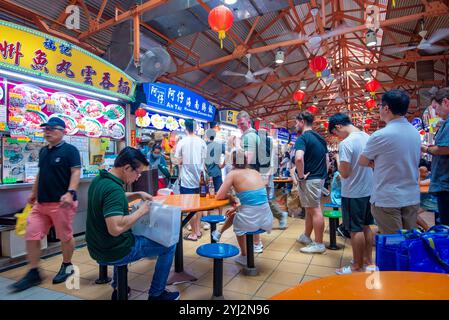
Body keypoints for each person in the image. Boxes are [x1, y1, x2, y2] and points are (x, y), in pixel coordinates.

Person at [85, 147, 179, 300]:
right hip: (113, 250)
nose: (138, 177)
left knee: (131, 233)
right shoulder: (113, 189)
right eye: (138, 173)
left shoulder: (100, 180)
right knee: (169, 246)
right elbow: (116, 228)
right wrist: (142, 211)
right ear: (127, 168)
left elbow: (117, 197)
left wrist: (137, 194)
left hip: (96, 247)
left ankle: (118, 286)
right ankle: (157, 293)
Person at [9, 118, 81, 292]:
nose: (47, 131)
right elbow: (41, 174)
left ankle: (67, 265)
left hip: (62, 203)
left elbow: (76, 171)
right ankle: (33, 271)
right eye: (45, 129)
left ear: (62, 131)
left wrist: (70, 192)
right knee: (31, 234)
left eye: (51, 129)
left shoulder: (70, 150)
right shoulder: (43, 151)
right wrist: (34, 193)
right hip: (41, 204)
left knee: (64, 236)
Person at [359, 89, 421, 234]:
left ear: (386, 108)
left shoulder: (381, 135)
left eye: (380, 106)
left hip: (388, 198)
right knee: (410, 243)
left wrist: (375, 162)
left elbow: (362, 161)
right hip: (411, 196)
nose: (379, 109)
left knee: (394, 246)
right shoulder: (415, 133)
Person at [328, 113, 375, 274]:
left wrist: (338, 160)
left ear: (338, 126)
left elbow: (345, 173)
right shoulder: (367, 137)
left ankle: (356, 266)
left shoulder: (346, 143)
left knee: (355, 230)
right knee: (367, 226)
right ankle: (369, 263)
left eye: (335, 133)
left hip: (353, 192)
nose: (337, 137)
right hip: (369, 190)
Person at [214, 151, 273, 263]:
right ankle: (219, 233)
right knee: (236, 213)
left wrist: (230, 196)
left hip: (251, 219)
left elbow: (219, 196)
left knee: (238, 222)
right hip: (266, 218)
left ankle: (244, 255)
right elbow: (253, 200)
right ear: (246, 161)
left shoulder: (232, 174)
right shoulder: (255, 172)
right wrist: (236, 207)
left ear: (232, 162)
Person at [236, 111, 288, 230]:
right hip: (261, 173)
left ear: (248, 122)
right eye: (238, 124)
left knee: (262, 200)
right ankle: (264, 222)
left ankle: (277, 217)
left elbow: (247, 158)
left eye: (242, 124)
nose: (240, 126)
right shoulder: (253, 136)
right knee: (262, 200)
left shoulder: (249, 136)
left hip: (257, 174)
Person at [294, 111, 329, 254]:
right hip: (319, 178)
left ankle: (319, 243)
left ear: (302, 121)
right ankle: (307, 236)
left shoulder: (303, 138)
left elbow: (298, 159)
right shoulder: (320, 138)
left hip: (310, 179)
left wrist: (301, 176)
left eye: (296, 122)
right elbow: (327, 160)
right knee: (309, 209)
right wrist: (323, 176)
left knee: (314, 210)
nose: (295, 125)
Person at [175, 118, 207, 241]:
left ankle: (194, 234)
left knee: (190, 206)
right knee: (198, 206)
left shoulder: (182, 142)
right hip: (200, 179)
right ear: (196, 127)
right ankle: (197, 230)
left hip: (187, 180)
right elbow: (204, 161)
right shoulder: (202, 142)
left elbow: (178, 160)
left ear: (185, 128)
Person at [422, 87, 449, 226]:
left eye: (435, 107)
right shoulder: (445, 122)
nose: (435, 112)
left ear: (445, 102)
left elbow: (444, 149)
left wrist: (425, 148)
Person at [417, 163, 436, 230]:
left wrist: (418, 173)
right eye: (421, 172)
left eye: (424, 172)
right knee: (410, 214)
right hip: (424, 201)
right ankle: (422, 229)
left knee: (412, 215)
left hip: (431, 202)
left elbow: (419, 183)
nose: (423, 173)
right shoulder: (422, 177)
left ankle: (427, 229)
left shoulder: (431, 178)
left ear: (428, 171)